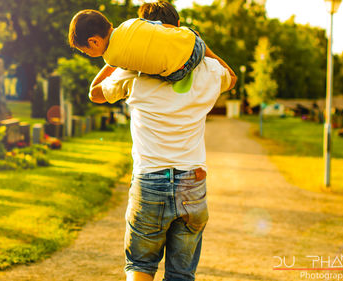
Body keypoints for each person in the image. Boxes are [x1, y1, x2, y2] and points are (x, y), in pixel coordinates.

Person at [88, 2, 237, 280]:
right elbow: (231, 76)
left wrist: (114, 58)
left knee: (141, 266)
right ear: (177, 29)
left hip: (150, 179)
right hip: (193, 181)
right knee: (181, 274)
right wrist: (200, 45)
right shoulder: (208, 70)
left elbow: (95, 93)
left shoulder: (131, 70)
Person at [68, 9, 207, 82]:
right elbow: (162, 26)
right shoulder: (131, 22)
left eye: (86, 52)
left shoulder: (111, 59)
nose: (88, 55)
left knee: (143, 73)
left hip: (181, 69)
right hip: (195, 43)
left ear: (94, 42)